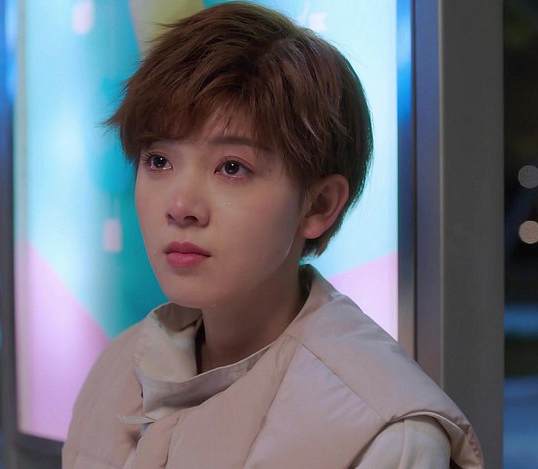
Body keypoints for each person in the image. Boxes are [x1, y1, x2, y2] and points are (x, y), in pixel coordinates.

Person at [63, 2, 484, 467]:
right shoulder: (117, 368)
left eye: (232, 167)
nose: (180, 207)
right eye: (159, 160)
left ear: (319, 205)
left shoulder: (385, 435)